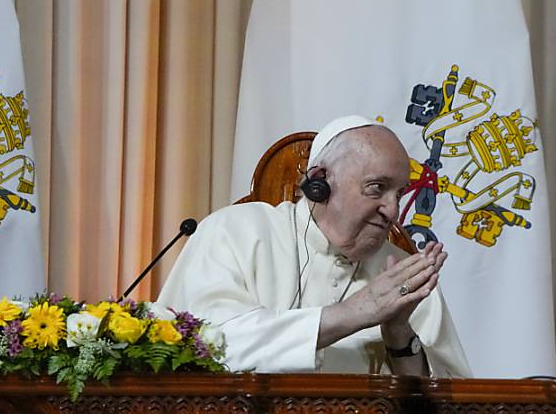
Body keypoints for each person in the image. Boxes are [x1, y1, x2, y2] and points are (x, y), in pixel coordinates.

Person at [158, 116, 471, 376]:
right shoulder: (236, 232)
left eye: (399, 193)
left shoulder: (403, 273)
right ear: (320, 182)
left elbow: (449, 397)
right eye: (377, 188)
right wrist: (351, 313)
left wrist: (400, 336)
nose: (392, 209)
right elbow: (204, 346)